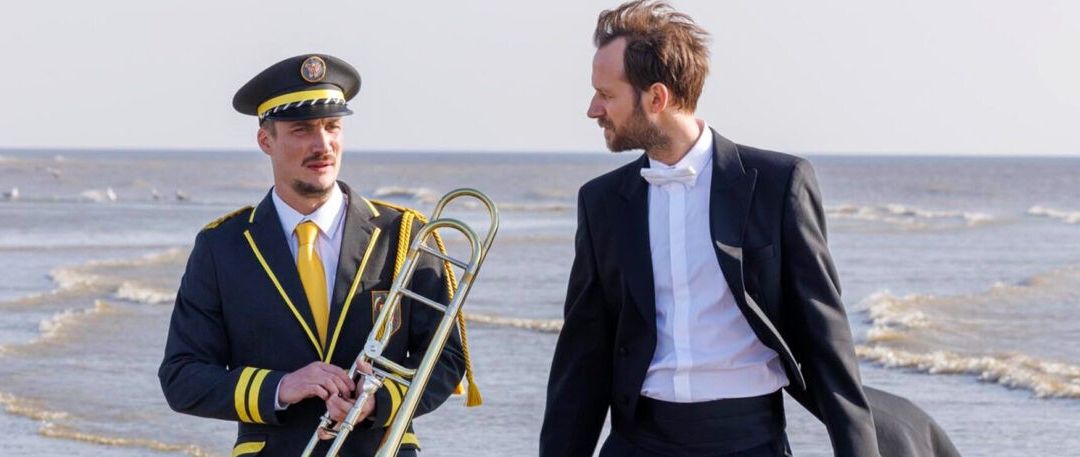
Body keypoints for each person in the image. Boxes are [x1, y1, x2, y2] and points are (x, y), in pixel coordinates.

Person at [541, 2, 880, 456]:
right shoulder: (602, 202)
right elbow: (583, 355)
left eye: (607, 95)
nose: (592, 109)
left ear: (656, 98)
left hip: (748, 439)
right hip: (637, 440)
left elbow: (826, 337)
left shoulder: (777, 185)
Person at [158, 54, 472, 457]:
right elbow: (182, 377)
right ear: (265, 141)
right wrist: (280, 388)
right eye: (302, 130)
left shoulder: (407, 235)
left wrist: (376, 402)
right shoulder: (223, 246)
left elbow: (447, 358)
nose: (322, 144)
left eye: (332, 126)